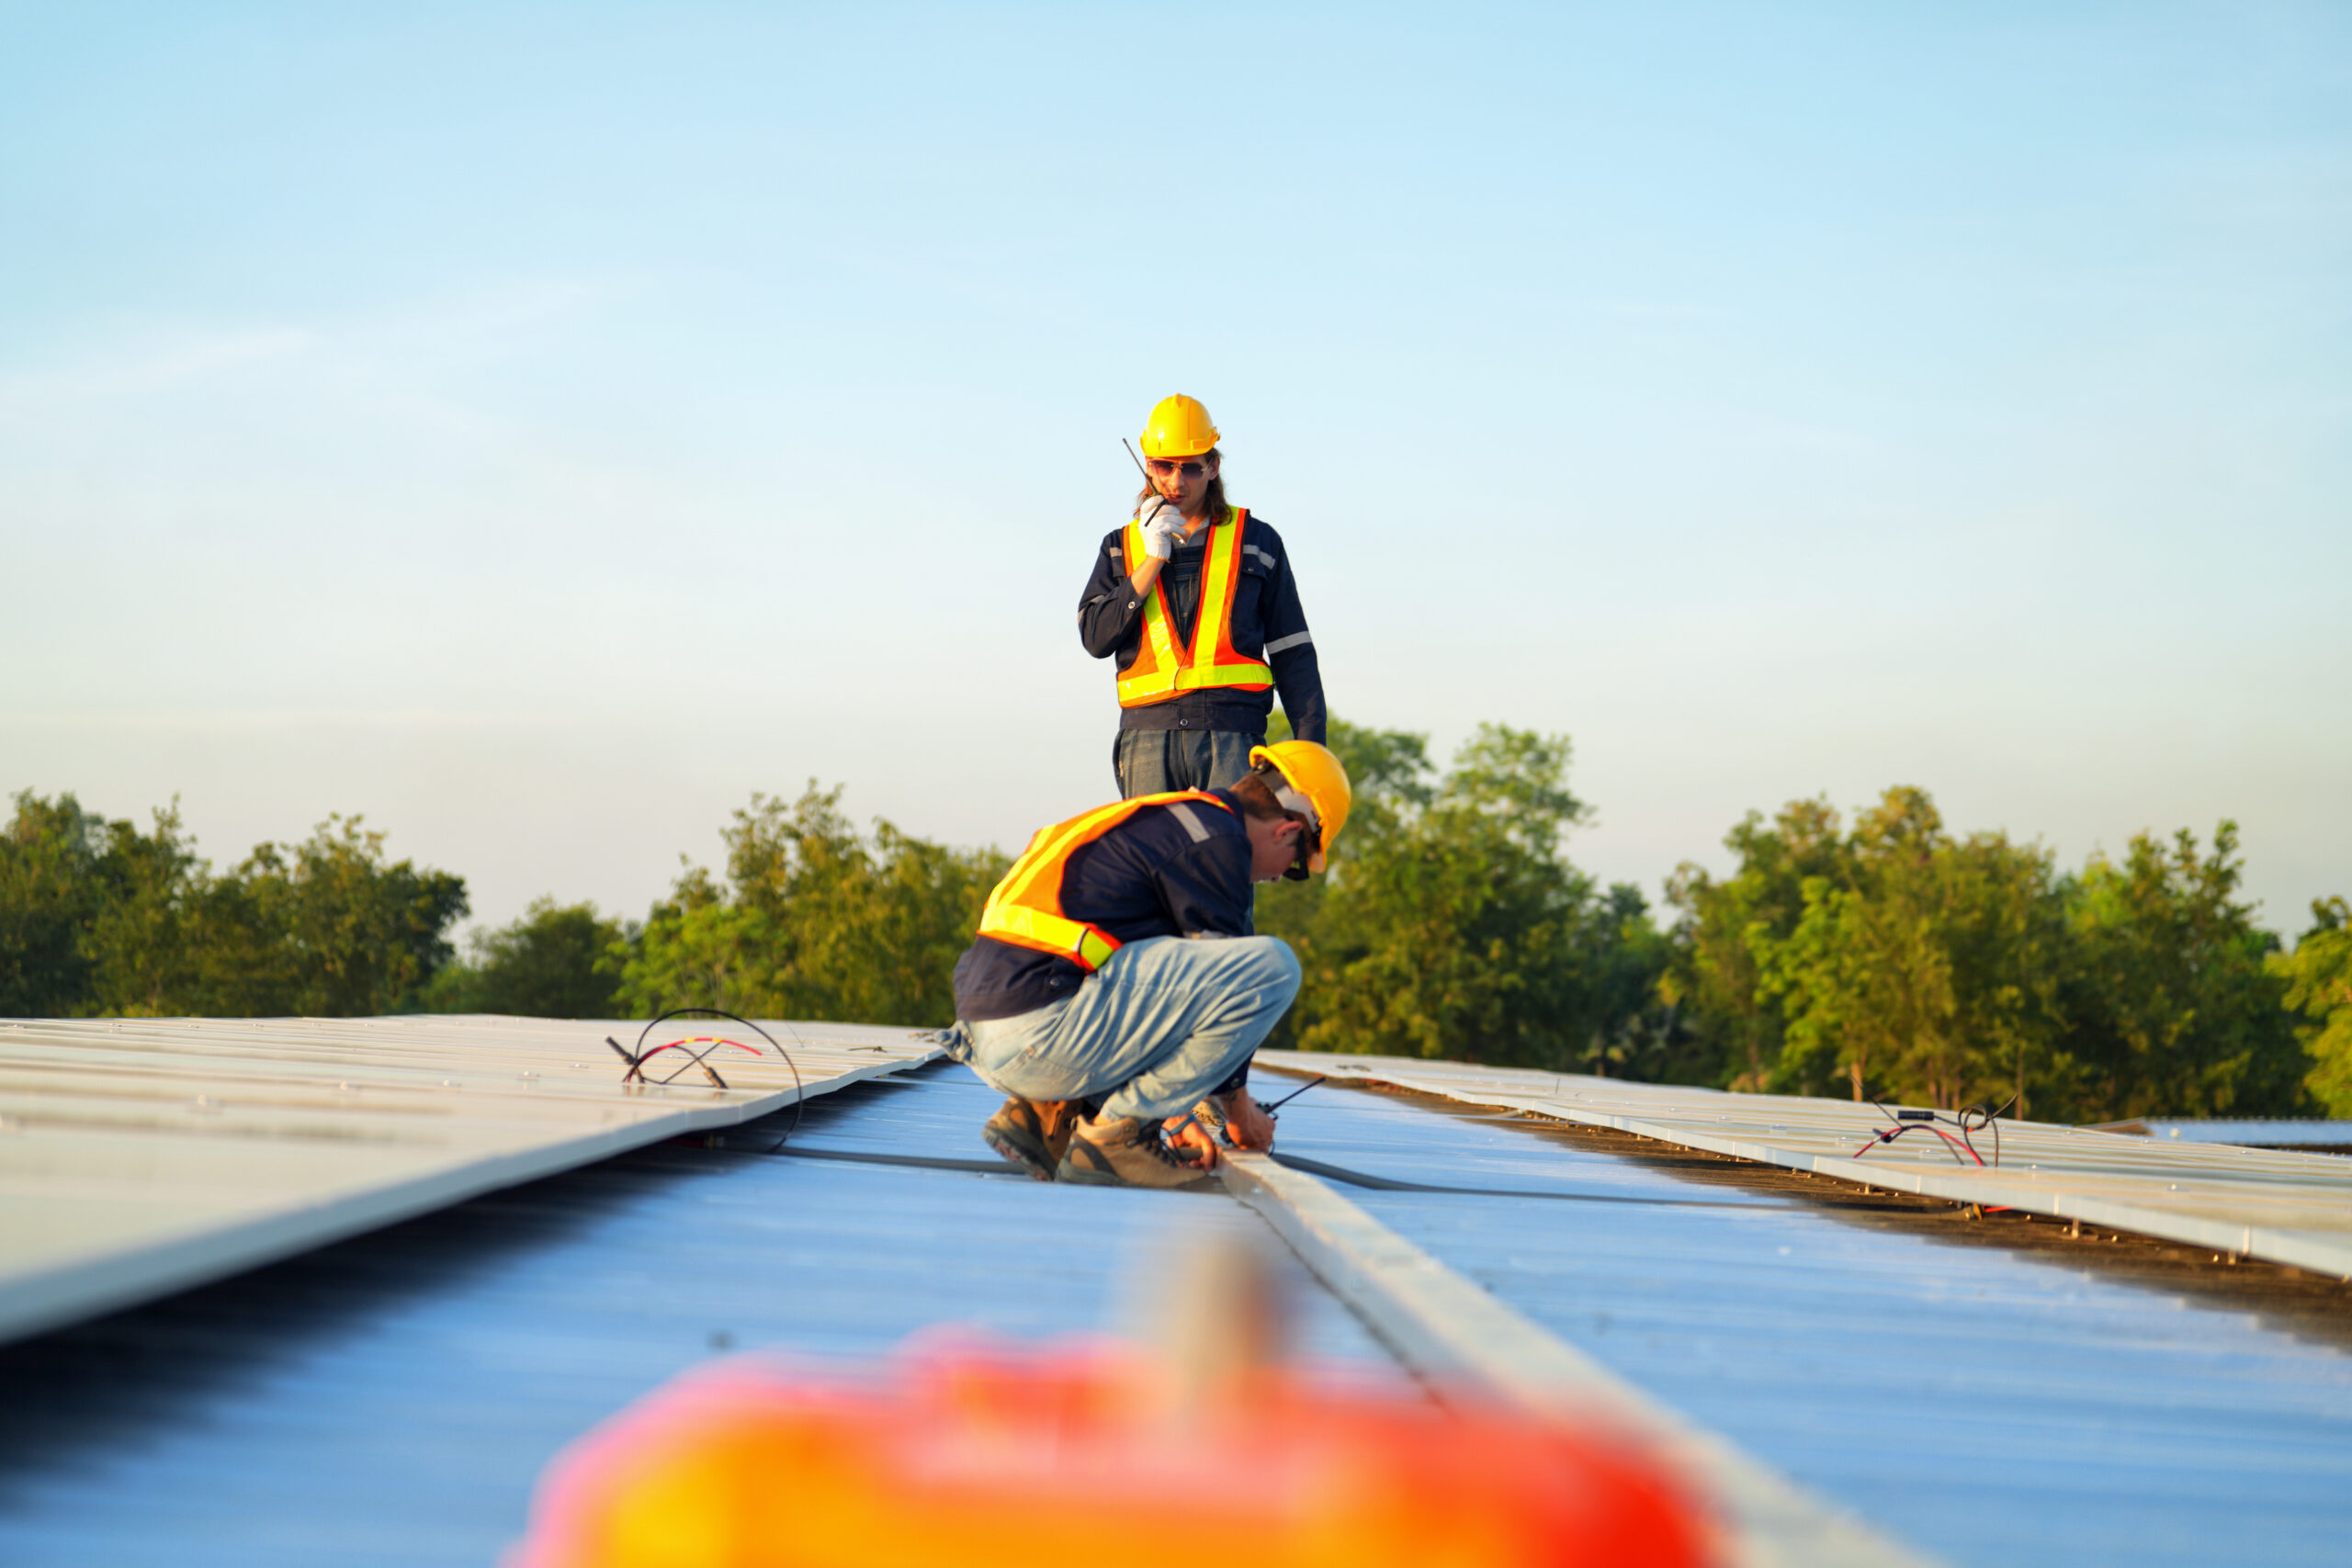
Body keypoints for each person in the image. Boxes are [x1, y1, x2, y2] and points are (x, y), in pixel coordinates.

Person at [940, 740, 1352, 1189]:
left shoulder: (1165, 820)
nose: (1277, 877)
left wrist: (1174, 1115)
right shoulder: (1217, 839)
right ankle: (1114, 1140)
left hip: (990, 1039)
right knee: (1272, 968)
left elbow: (1160, 1001)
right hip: (1042, 1034)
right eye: (1295, 865)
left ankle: (1042, 1113)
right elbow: (1227, 994)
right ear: (1287, 830)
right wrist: (1241, 1114)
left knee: (1158, 960)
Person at [1080, 394, 1328, 799]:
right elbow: (1095, 639)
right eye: (1164, 466)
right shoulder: (1120, 546)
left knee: (1228, 860)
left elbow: (1293, 653)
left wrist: (1310, 753)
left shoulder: (1257, 541)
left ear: (1213, 467)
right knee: (1155, 861)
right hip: (1147, 738)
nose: (1176, 482)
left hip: (1232, 737)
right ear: (1147, 464)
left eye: (1191, 468)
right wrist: (1151, 561)